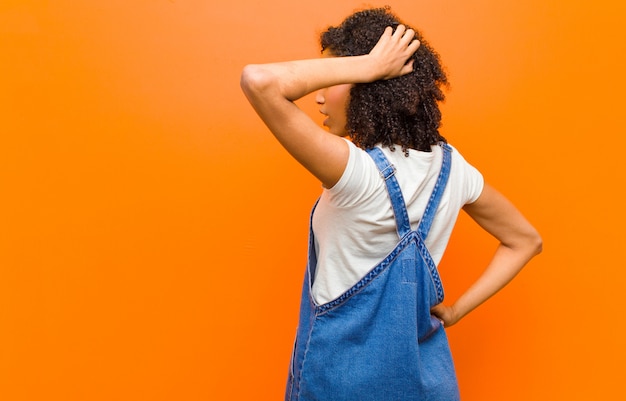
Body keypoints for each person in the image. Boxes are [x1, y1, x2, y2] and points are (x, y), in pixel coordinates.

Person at [241, 6, 542, 401]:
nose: (318, 96)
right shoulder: (454, 168)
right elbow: (526, 240)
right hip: (426, 381)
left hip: (340, 382)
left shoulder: (355, 173)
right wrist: (454, 312)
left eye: (336, 76)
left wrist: (366, 65)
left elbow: (258, 80)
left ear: (369, 84)